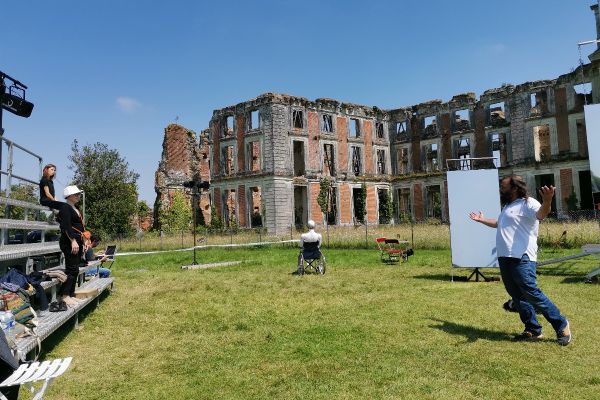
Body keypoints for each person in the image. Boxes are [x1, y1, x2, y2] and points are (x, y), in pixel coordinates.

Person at [469, 175, 571, 345]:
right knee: (516, 295)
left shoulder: (528, 203)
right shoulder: (509, 206)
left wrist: (548, 200)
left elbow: (542, 214)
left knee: (531, 292)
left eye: (503, 186)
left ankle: (561, 324)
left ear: (515, 187)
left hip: (522, 257)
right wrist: (482, 220)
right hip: (505, 257)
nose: (500, 189)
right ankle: (532, 329)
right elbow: (499, 223)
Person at [58, 185, 87, 307]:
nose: (78, 196)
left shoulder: (76, 208)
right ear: (69, 196)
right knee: (71, 269)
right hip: (69, 242)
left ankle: (71, 294)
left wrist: (85, 241)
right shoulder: (65, 208)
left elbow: (81, 227)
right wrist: (73, 240)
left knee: (75, 269)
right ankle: (64, 296)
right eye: (76, 194)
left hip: (78, 241)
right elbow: (66, 226)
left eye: (79, 194)